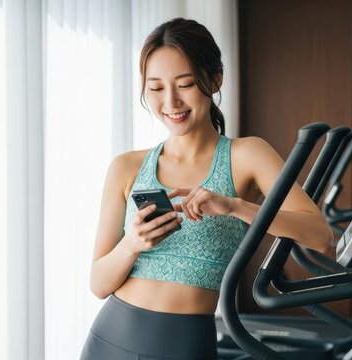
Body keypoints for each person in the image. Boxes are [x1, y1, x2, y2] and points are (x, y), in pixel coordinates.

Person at [80, 17, 333, 360]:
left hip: (186, 344)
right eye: (155, 88)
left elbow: (320, 234)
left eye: (184, 84)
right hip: (110, 339)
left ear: (215, 79)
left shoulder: (248, 155)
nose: (171, 102)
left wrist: (235, 207)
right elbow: (98, 284)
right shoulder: (125, 167)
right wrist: (133, 243)